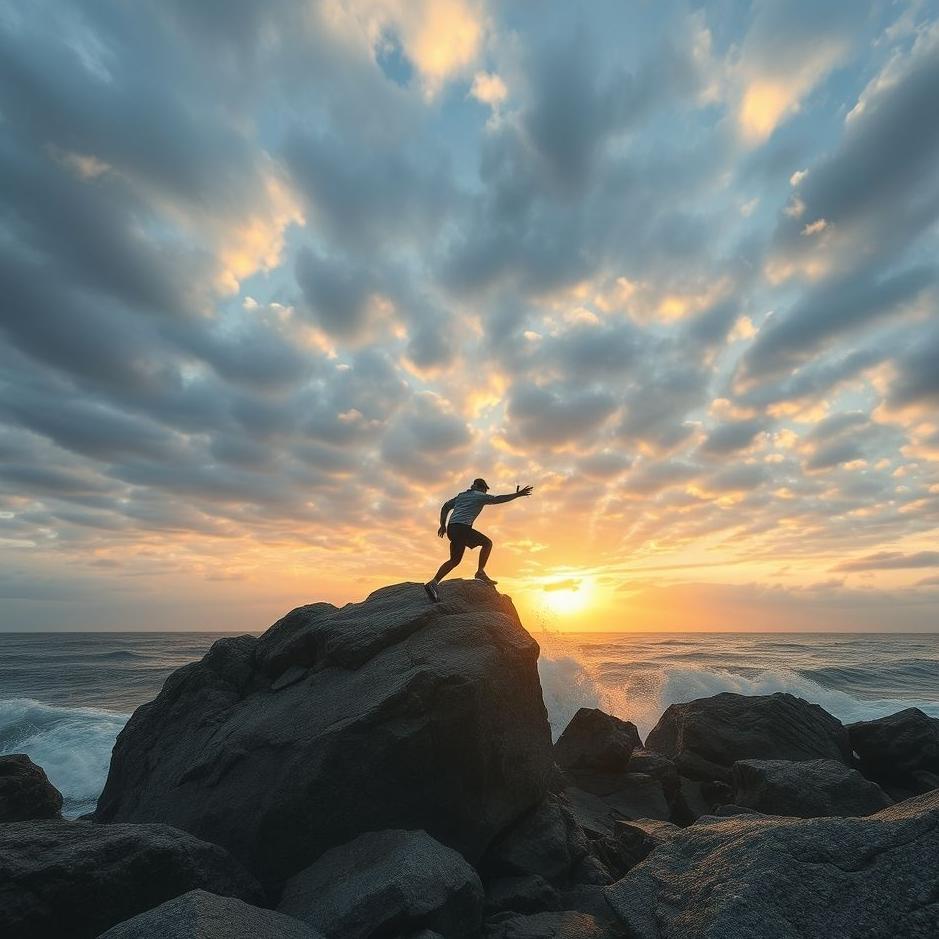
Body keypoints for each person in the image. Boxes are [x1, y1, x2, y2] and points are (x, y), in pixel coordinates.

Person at [424, 477, 534, 602]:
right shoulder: (479, 495)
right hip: (462, 528)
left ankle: (433, 582)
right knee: (487, 543)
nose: (485, 493)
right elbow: (498, 499)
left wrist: (442, 525)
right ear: (481, 488)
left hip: (452, 529)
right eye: (485, 490)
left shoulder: (461, 496)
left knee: (454, 560)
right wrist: (518, 494)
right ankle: (480, 572)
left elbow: (445, 507)